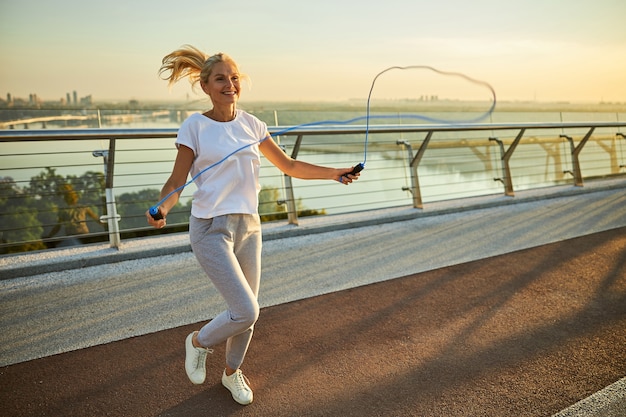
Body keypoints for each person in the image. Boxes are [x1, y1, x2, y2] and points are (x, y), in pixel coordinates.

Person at [146, 45, 360, 406]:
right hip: (210, 228)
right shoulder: (194, 126)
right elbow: (176, 183)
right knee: (245, 309)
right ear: (205, 86)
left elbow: (289, 165)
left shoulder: (252, 124)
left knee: (248, 313)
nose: (230, 84)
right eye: (220, 79)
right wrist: (163, 208)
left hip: (249, 227)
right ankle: (198, 342)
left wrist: (335, 174)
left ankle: (231, 374)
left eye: (234, 78)